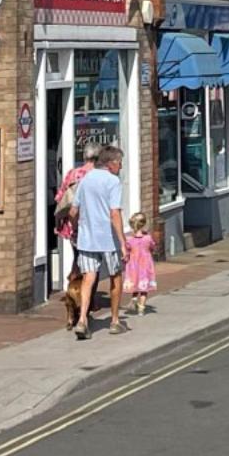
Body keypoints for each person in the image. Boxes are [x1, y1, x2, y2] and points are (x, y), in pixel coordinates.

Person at [72, 145, 128, 339]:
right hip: (108, 239)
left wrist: (75, 230)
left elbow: (73, 211)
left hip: (87, 239)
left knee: (89, 278)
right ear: (111, 163)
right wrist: (122, 242)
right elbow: (115, 213)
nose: (120, 167)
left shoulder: (85, 179)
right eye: (119, 163)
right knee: (116, 276)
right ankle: (114, 320)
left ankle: (82, 320)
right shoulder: (113, 182)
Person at [55, 143, 101, 328]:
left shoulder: (73, 174)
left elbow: (60, 197)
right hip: (92, 227)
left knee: (78, 260)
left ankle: (72, 297)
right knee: (92, 267)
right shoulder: (98, 176)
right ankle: (86, 304)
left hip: (72, 226)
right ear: (98, 159)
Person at [122, 212, 157, 316]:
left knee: (135, 283)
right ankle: (141, 308)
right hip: (145, 265)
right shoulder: (148, 238)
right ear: (144, 224)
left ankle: (133, 298)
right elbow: (152, 247)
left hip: (133, 265)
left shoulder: (129, 239)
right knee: (144, 288)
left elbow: (127, 250)